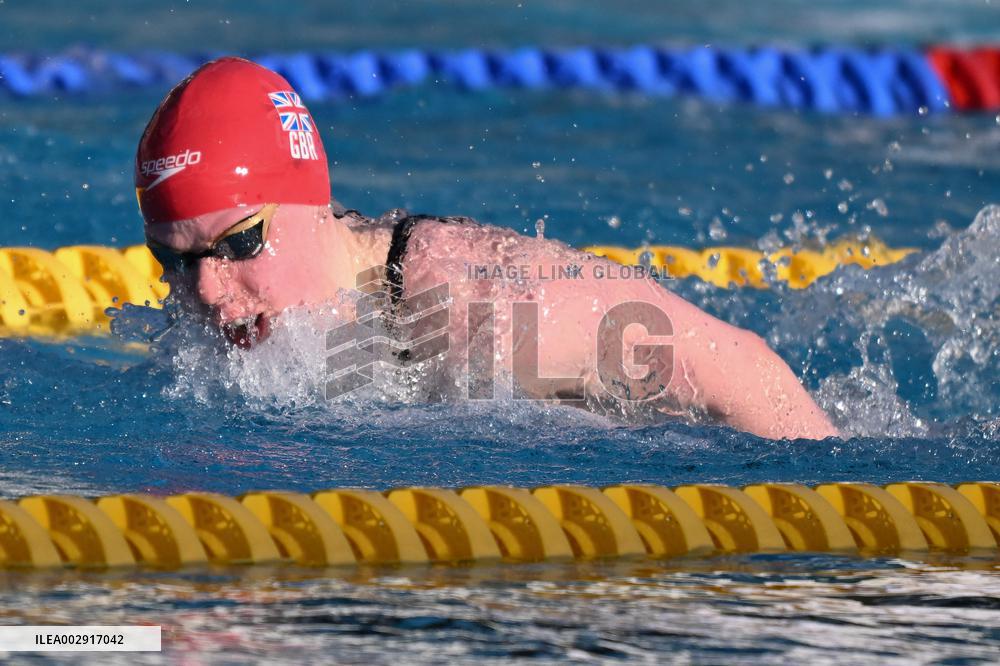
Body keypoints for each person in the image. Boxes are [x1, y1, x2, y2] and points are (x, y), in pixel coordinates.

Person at [137, 57, 838, 440]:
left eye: (239, 243)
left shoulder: (478, 311)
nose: (203, 290)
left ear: (308, 202)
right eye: (175, 259)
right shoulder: (226, 337)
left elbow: (732, 361)